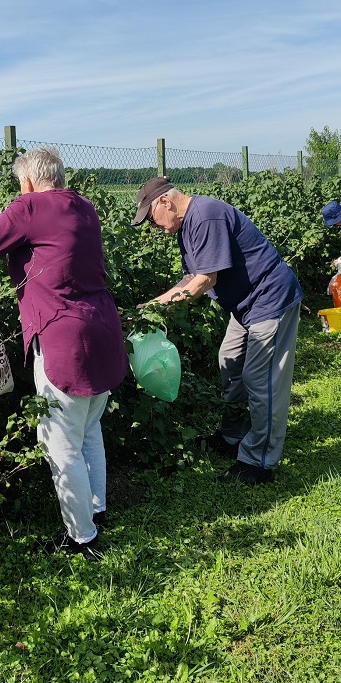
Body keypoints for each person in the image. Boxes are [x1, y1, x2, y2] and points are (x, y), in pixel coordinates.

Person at [0, 146, 128, 561]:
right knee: (88, 430)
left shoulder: (28, 206)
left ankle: (82, 537)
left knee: (59, 440)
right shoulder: (84, 207)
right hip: (102, 326)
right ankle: (96, 511)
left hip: (64, 337)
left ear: (27, 181)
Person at [132, 177, 303, 485]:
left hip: (270, 299)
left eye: (151, 219)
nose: (153, 228)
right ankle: (235, 434)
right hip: (246, 305)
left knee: (261, 379)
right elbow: (189, 279)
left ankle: (258, 462)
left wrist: (158, 310)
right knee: (230, 362)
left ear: (164, 202)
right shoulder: (189, 226)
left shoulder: (206, 216)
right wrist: (149, 306)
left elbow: (205, 280)